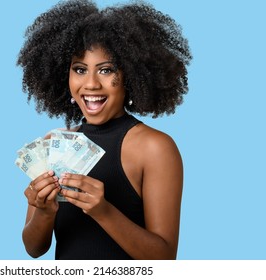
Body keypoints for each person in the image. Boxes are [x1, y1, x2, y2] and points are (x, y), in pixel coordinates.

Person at [17, 0, 192, 260]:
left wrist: (103, 211)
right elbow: (34, 248)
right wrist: (44, 211)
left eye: (106, 70)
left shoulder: (155, 148)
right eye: (79, 69)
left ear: (132, 75)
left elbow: (164, 259)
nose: (91, 84)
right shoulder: (55, 143)